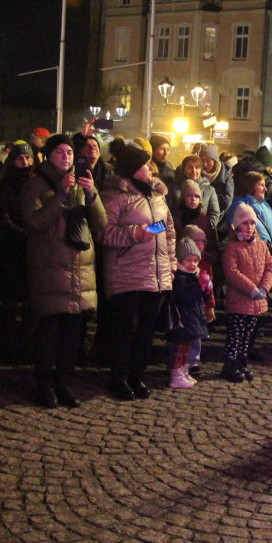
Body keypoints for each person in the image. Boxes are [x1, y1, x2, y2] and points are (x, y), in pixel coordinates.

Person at [21, 134, 108, 408]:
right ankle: (44, 384)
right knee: (49, 332)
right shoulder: (35, 185)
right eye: (59, 152)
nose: (66, 158)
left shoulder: (82, 186)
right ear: (48, 156)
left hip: (79, 270)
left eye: (69, 153)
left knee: (72, 334)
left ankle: (64, 382)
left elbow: (101, 224)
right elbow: (34, 221)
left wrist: (92, 194)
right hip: (50, 269)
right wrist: (59, 195)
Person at [101, 143, 176, 400]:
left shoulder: (157, 195)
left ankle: (137, 375)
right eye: (145, 164)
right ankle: (118, 377)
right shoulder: (115, 196)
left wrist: (171, 264)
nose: (151, 167)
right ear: (132, 170)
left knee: (145, 330)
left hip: (155, 273)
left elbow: (166, 231)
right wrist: (134, 233)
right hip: (127, 272)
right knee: (125, 330)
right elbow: (104, 232)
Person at [0, 142, 37, 363]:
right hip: (10, 250)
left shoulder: (35, 183)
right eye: (21, 159)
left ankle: (27, 345)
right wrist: (24, 233)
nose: (25, 163)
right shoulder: (5, 184)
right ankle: (7, 345)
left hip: (30, 251)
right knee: (9, 302)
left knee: (30, 301)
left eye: (28, 158)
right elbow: (2, 217)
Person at [222, 203, 272, 382]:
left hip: (256, 300)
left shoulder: (261, 245)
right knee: (235, 335)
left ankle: (241, 361)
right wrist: (251, 288)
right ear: (237, 225)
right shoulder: (233, 246)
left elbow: (270, 266)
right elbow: (231, 271)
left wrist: (264, 288)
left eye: (252, 223)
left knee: (247, 335)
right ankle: (229, 364)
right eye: (245, 223)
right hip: (240, 300)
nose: (250, 227)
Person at [167, 238, 210, 389]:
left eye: (195, 261)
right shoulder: (180, 277)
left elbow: (198, 298)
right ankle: (176, 373)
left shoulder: (193, 275)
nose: (192, 264)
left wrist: (206, 289)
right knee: (180, 347)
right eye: (188, 260)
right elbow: (185, 296)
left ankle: (184, 370)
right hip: (183, 319)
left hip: (192, 318)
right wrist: (200, 287)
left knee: (186, 347)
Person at [179, 224, 217, 374]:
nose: (200, 245)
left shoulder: (205, 264)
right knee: (183, 337)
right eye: (196, 241)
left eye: (203, 242)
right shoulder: (183, 265)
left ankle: (193, 362)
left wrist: (210, 305)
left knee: (197, 335)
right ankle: (179, 365)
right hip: (186, 307)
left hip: (199, 305)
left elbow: (210, 288)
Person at [171, 154, 220, 228]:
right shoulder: (174, 188)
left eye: (197, 167)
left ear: (201, 170)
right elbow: (169, 211)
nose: (194, 171)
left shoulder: (209, 190)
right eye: (190, 167)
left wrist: (206, 227)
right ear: (183, 169)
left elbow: (214, 213)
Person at [199, 143, 234, 214]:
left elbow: (226, 202)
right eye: (202, 161)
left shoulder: (225, 177)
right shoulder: (197, 174)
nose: (205, 164)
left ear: (215, 161)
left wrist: (208, 196)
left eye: (208, 161)